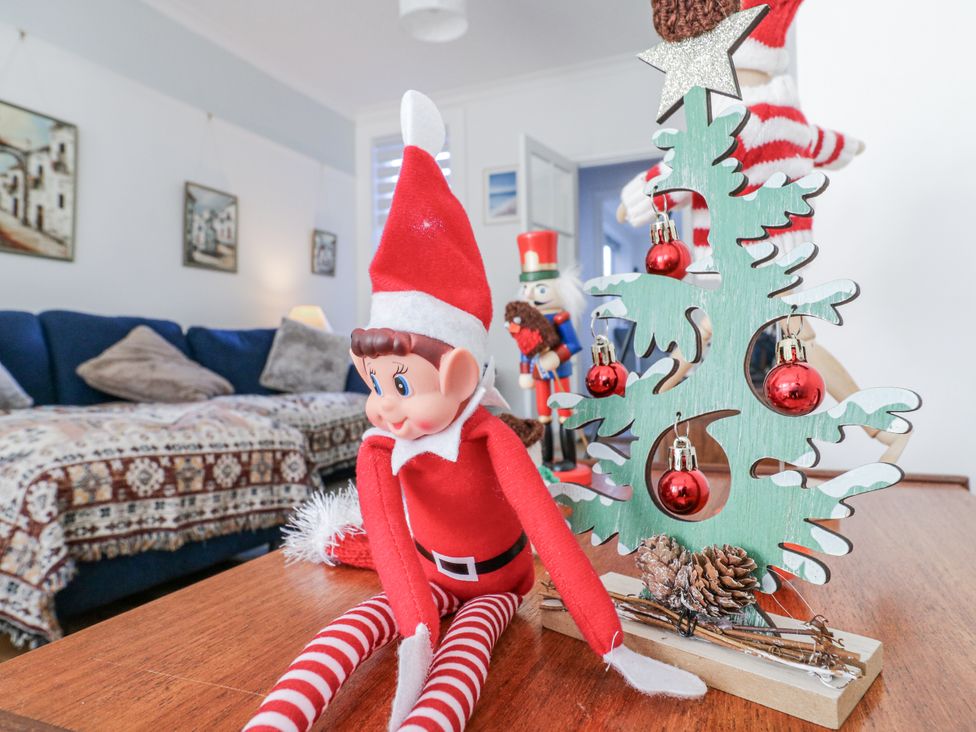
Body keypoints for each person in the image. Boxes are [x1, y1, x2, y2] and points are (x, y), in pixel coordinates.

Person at [244, 91, 705, 732]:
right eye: (373, 384)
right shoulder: (379, 450)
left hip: (496, 588)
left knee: (464, 660)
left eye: (399, 386)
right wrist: (412, 632)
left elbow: (549, 535)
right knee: (347, 629)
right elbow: (390, 544)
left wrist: (613, 644)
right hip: (428, 573)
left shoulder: (491, 436)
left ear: (460, 374)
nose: (382, 409)